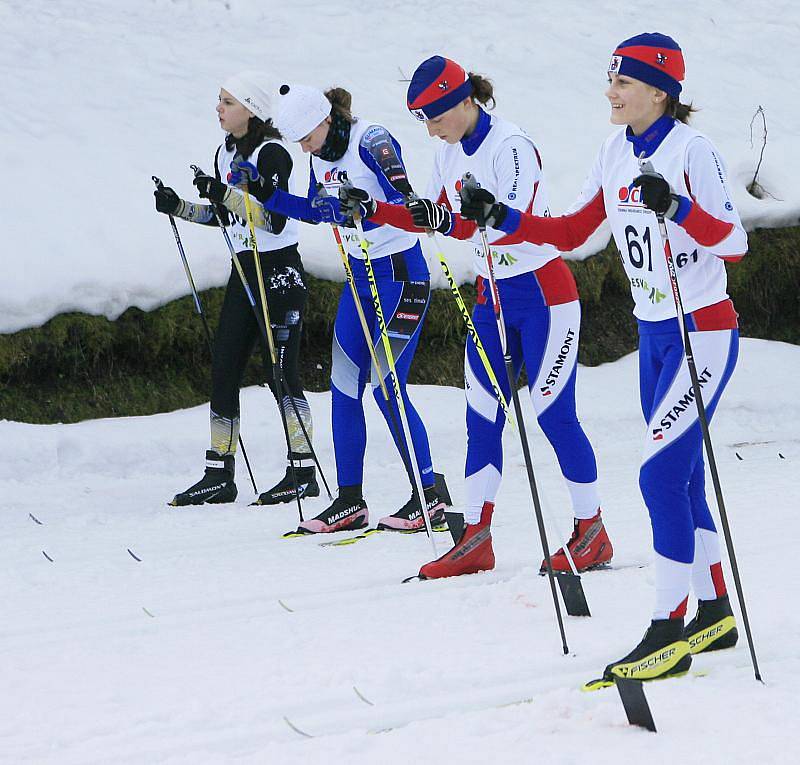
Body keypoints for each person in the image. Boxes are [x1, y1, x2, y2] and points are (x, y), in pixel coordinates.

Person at [451, 34, 745, 682]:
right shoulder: (615, 151)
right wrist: (501, 216)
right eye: (610, 80)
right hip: (655, 335)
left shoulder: (691, 150)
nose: (610, 93)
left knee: (659, 476)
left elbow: (734, 240)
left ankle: (669, 628)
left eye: (623, 83)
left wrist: (677, 205)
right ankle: (715, 607)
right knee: (683, 475)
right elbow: (572, 232)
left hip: (702, 331)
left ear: (659, 92)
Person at [339, 56, 612, 580]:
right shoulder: (446, 153)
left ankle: (592, 530)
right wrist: (378, 211)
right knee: (481, 416)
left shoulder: (511, 145)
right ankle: (477, 537)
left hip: (543, 297)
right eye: (422, 119)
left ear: (465, 100)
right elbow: (455, 225)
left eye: (437, 114)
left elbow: (507, 225)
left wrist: (459, 217)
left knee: (553, 415)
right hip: (490, 299)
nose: (431, 128)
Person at [214, 83, 451, 534]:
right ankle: (349, 500)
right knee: (343, 388)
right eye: (299, 141)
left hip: (401, 277)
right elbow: (317, 211)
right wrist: (266, 191)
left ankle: (430, 495)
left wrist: (369, 207)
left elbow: (409, 204)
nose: (304, 147)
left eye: (307, 137)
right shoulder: (317, 154)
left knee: (388, 388)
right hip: (360, 279)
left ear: (326, 120)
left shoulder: (372, 140)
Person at [154, 72, 319, 507]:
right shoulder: (224, 151)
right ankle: (218, 473)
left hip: (279, 272)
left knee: (279, 372)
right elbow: (227, 217)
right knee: (223, 366)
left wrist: (224, 196)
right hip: (244, 269)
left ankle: (302, 469)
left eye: (228, 101)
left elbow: (274, 219)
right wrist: (181, 208)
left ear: (251, 108)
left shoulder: (273, 152)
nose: (219, 108)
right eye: (220, 100)